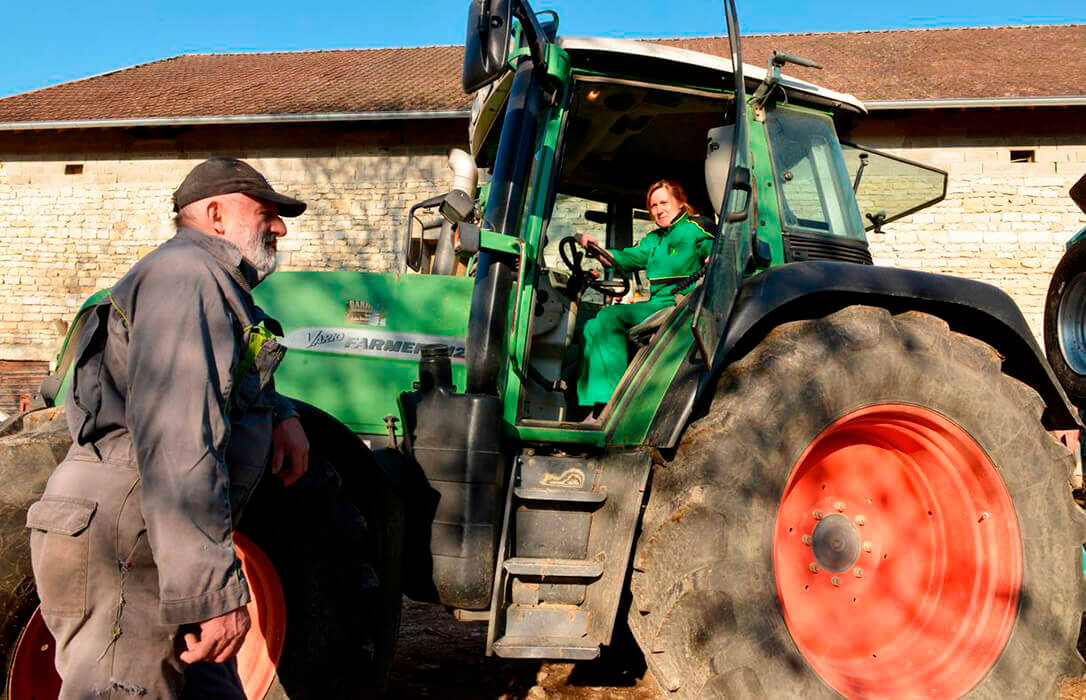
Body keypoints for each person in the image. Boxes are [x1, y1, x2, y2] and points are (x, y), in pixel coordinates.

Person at [26, 157, 311, 699]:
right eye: (267, 212)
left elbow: (220, 380)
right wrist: (212, 594)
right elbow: (180, 440)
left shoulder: (210, 283)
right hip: (127, 541)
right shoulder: (188, 280)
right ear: (216, 214)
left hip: (154, 535)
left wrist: (283, 415)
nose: (279, 227)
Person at [574, 179, 714, 412]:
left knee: (610, 316)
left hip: (679, 303)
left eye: (664, 203)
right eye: (653, 206)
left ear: (680, 202)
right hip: (655, 302)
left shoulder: (695, 229)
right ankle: (589, 406)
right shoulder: (653, 240)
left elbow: (713, 252)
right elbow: (625, 258)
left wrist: (713, 258)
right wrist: (593, 247)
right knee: (590, 326)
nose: (659, 210)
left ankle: (611, 405)